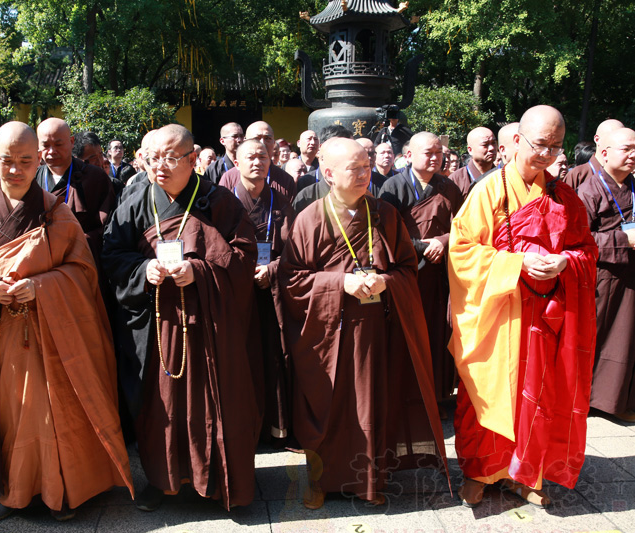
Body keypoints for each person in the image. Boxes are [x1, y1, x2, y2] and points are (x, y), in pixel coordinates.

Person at [0, 121, 134, 522]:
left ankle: (61, 489)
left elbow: (83, 272)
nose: (15, 170)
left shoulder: (55, 211)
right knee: (10, 416)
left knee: (55, 411)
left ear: (38, 158)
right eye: (7, 160)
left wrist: (41, 286)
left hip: (53, 335)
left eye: (25, 161)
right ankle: (16, 489)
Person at [278, 137, 448, 509]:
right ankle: (319, 481)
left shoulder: (385, 214)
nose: (363, 174)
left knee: (371, 406)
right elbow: (291, 279)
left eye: (366, 166)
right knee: (325, 406)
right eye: (353, 168)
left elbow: (407, 268)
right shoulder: (309, 218)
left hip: (374, 331)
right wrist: (340, 283)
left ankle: (369, 482)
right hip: (326, 334)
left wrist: (386, 280)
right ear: (328, 174)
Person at [102, 124, 259, 512]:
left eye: (171, 158)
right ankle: (161, 480)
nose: (160, 166)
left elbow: (244, 257)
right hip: (157, 321)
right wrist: (144, 271)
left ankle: (219, 479)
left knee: (213, 402)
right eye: (153, 157)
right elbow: (111, 252)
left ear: (193, 159)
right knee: (159, 405)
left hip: (209, 324)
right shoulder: (136, 197)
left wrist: (202, 272)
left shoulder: (219, 201)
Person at [449, 105, 598, 509]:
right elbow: (461, 251)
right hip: (499, 314)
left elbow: (585, 248)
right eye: (539, 145)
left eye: (555, 146)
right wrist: (516, 262)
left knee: (540, 397)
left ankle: (525, 473)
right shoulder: (488, 191)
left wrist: (566, 261)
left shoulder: (564, 196)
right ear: (516, 141)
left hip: (544, 316)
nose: (548, 155)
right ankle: (480, 471)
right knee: (488, 393)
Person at [379, 132, 464, 407]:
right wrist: (422, 247)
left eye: (439, 152)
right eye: (428, 152)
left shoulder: (449, 187)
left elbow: (464, 228)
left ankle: (437, 396)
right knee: (407, 335)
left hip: (440, 277)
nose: (435, 157)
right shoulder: (394, 186)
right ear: (409, 156)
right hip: (409, 272)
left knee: (438, 333)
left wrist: (442, 241)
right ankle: (407, 397)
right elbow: (386, 232)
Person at [231, 139, 297, 446]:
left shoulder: (282, 203)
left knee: (273, 356)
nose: (257, 162)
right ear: (237, 162)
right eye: (250, 157)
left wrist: (270, 270)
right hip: (236, 294)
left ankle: (275, 427)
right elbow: (215, 248)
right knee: (240, 357)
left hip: (272, 290)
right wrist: (245, 271)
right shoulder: (224, 202)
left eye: (262, 157)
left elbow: (297, 251)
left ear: (271, 161)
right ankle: (244, 429)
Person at [577, 127, 635, 423]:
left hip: (631, 276)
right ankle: (590, 399)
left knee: (628, 339)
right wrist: (624, 240)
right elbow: (578, 240)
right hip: (602, 279)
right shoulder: (589, 190)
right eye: (626, 149)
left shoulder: (634, 186)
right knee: (600, 338)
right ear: (604, 152)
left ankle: (619, 399)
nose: (633, 155)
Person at [36, 118, 116, 260]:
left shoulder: (95, 177)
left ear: (71, 142)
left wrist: (78, 242)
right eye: (46, 145)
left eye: (58, 144)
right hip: (43, 259)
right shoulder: (33, 178)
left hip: (83, 257)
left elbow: (109, 226)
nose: (51, 151)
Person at [218, 121, 297, 201]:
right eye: (256, 139)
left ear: (274, 143)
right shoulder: (229, 178)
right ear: (245, 141)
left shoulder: (285, 180)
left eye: (267, 138)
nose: (262, 143)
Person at [564, 119, 624, 191]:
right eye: (613, 138)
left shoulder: (625, 175)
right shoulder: (578, 174)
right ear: (597, 139)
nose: (618, 143)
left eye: (622, 139)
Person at [449, 127, 497, 198]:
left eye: (493, 143)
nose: (491, 148)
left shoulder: (503, 176)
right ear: (470, 150)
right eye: (485, 144)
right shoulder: (456, 180)